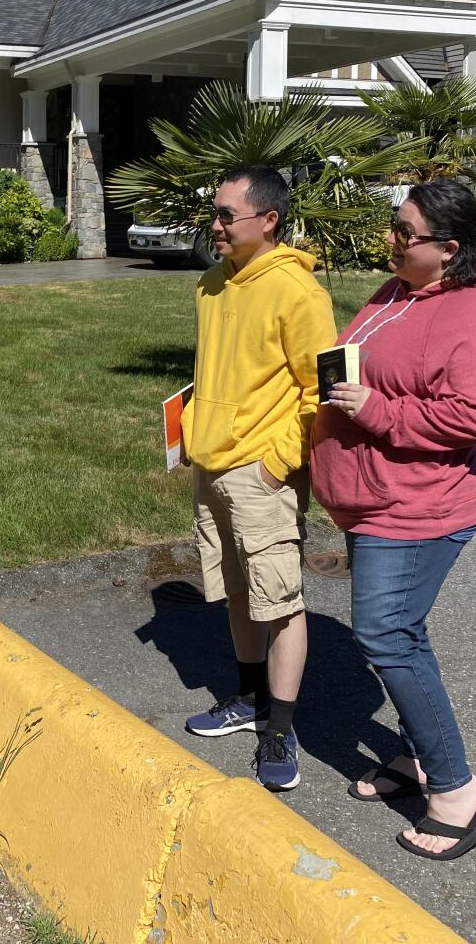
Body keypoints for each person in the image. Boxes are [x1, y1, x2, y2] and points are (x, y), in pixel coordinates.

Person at [310, 179, 476, 860]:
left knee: (385, 630)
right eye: (393, 227)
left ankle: (457, 788)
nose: (392, 240)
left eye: (405, 232)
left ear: (449, 248)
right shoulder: (400, 291)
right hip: (373, 495)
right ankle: (413, 753)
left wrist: (377, 411)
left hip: (419, 504)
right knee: (400, 630)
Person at [180, 165, 337, 792]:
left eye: (226, 215)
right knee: (238, 591)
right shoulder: (211, 285)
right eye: (213, 213)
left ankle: (280, 726)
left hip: (259, 473)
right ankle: (248, 702)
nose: (214, 225)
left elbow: (318, 395)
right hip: (210, 465)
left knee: (280, 603)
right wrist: (192, 429)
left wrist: (276, 464)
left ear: (268, 220)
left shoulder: (300, 293)